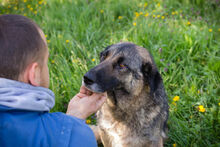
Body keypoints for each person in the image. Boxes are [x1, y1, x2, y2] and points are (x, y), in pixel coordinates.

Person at [0, 14, 107, 147]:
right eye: (46, 61)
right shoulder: (80, 139)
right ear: (34, 74)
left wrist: (72, 119)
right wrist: (73, 132)